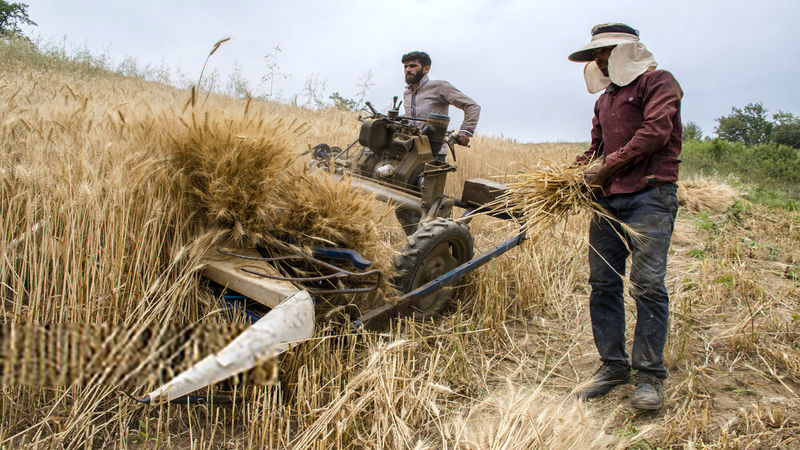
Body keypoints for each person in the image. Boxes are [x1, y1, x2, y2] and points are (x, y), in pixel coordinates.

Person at [569, 23, 683, 410]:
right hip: (608, 202)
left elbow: (655, 133)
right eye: (596, 55)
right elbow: (597, 149)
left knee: (648, 284)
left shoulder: (659, 82)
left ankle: (649, 375)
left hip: (650, 195)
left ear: (627, 51)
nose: (599, 60)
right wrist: (571, 174)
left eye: (605, 52)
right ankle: (612, 366)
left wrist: (606, 167)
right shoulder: (604, 100)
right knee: (602, 282)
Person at [401, 51, 480, 162]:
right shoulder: (407, 93)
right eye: (406, 66)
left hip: (434, 154)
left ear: (426, 69)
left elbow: (472, 106)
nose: (408, 69)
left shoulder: (439, 87)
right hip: (410, 153)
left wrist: (464, 133)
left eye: (413, 66)